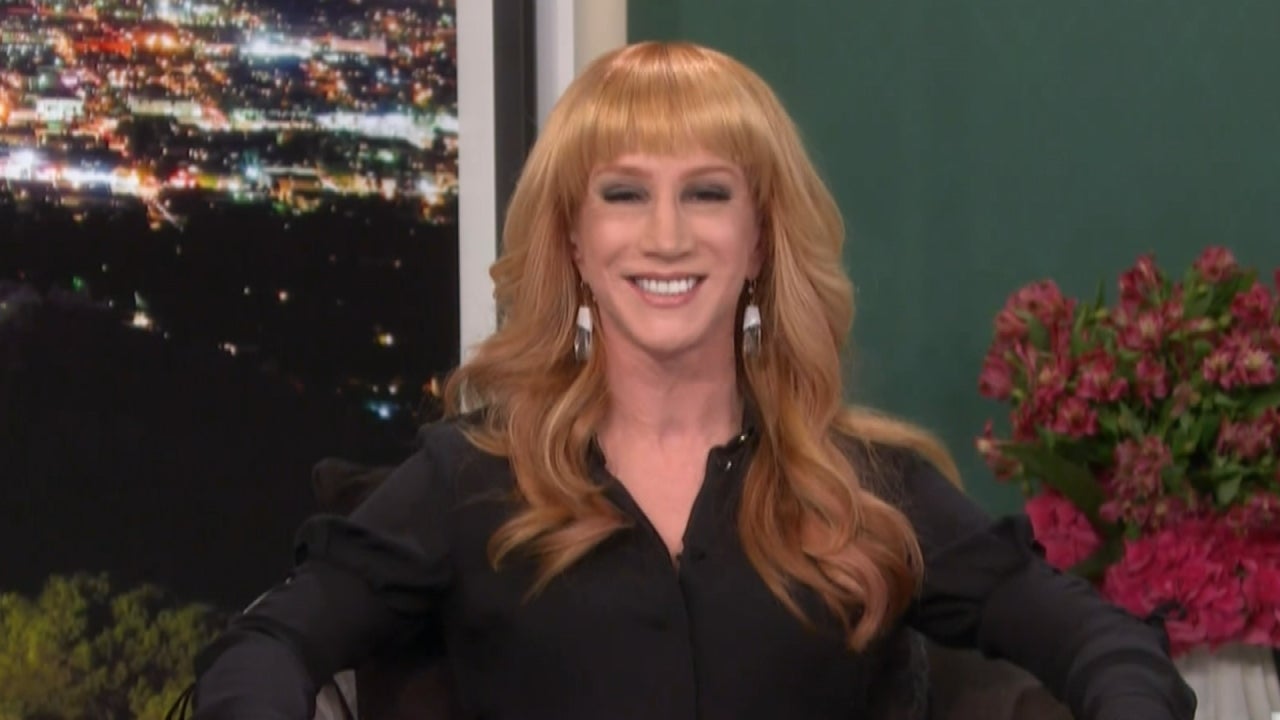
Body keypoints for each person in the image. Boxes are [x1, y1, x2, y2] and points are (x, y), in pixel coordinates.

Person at [191, 41, 1196, 719]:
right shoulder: (470, 480)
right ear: (574, 241)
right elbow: (262, 648)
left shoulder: (862, 487)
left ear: (757, 239)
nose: (665, 236)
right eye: (624, 193)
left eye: (707, 193)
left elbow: (1106, 648)